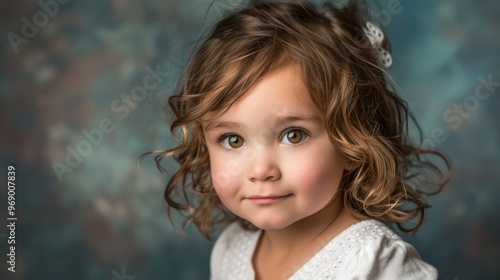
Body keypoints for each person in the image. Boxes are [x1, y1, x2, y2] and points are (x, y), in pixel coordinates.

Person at [151, 0, 451, 279]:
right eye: (232, 140)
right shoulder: (231, 249)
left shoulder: (374, 262)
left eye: (293, 136)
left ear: (353, 143)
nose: (261, 170)